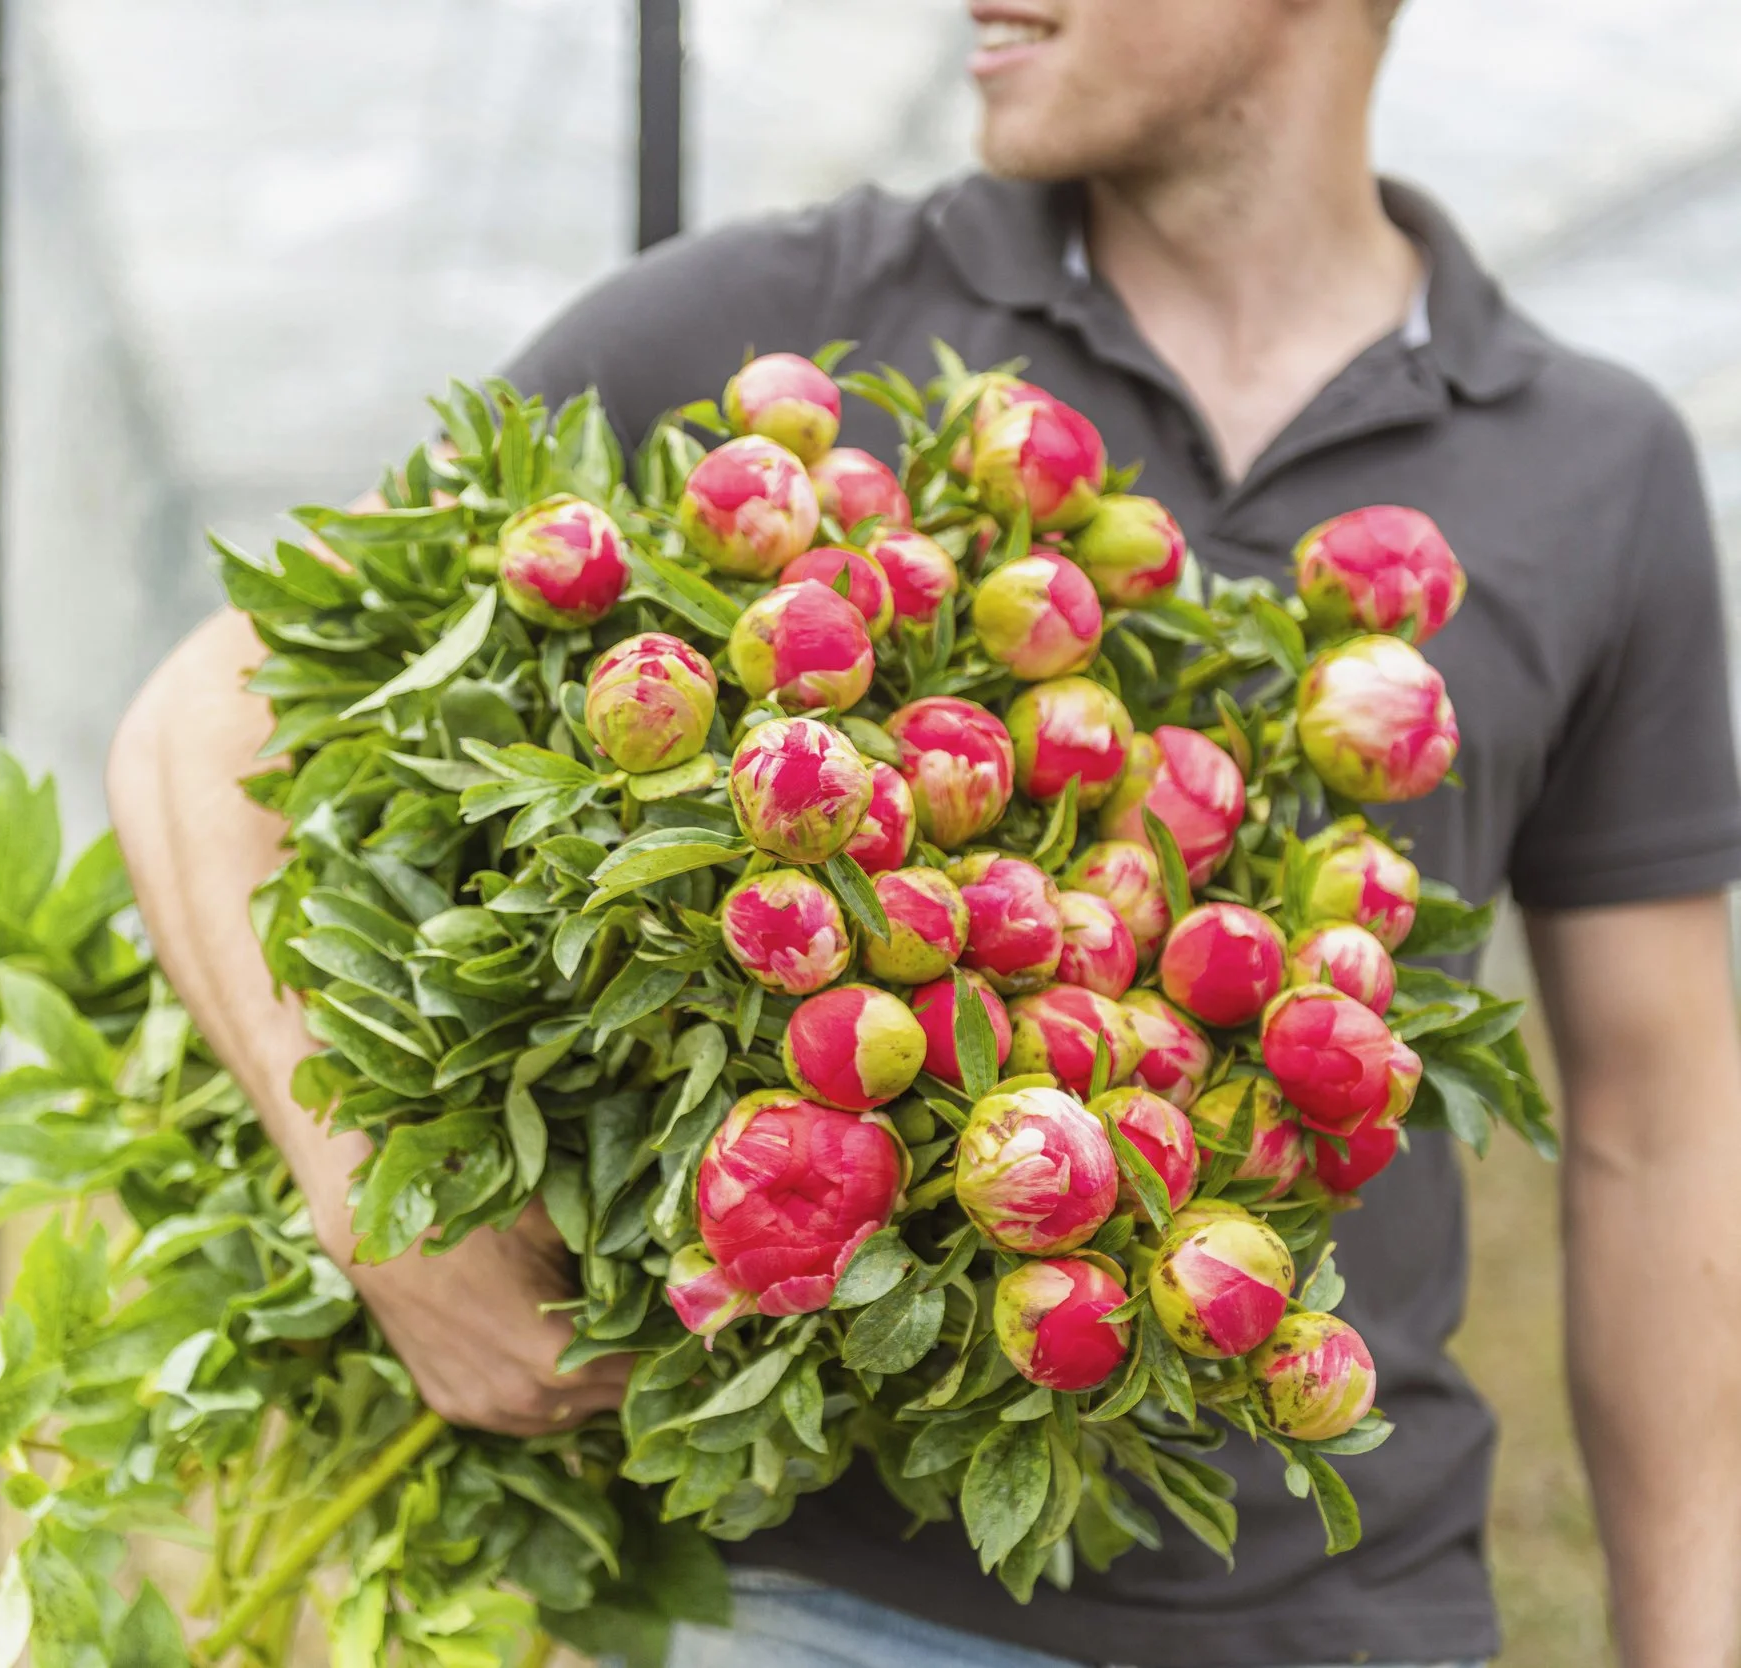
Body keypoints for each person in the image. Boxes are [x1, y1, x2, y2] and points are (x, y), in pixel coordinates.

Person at [108, 0, 1741, 1662]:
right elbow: (205, 710)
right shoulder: (783, 321)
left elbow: (1657, 1130)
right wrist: (374, 1191)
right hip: (819, 1601)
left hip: (1359, 1616)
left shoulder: (1597, 466)